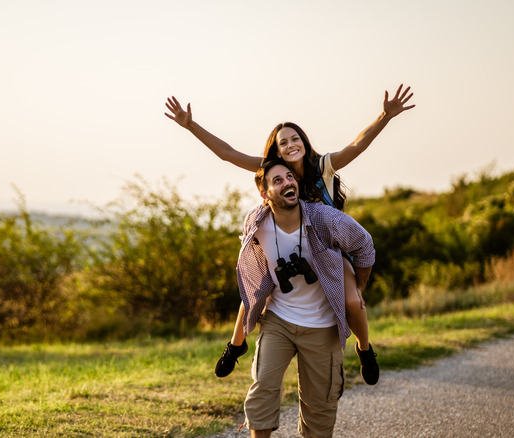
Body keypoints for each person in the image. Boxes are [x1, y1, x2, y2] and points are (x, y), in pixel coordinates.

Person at [164, 85, 414, 384]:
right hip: (284, 246)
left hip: (327, 249)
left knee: (353, 302)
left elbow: (357, 145)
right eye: (284, 142)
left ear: (304, 142)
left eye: (296, 138)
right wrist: (190, 124)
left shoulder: (323, 166)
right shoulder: (271, 169)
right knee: (253, 291)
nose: (291, 144)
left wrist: (384, 116)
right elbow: (227, 154)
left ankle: (364, 349)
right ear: (276, 149)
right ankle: (236, 345)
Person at [237, 159, 375, 437]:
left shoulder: (325, 218)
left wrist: (358, 286)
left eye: (290, 176)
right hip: (279, 320)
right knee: (262, 387)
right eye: (277, 180)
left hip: (323, 326)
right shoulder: (256, 221)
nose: (288, 182)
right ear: (264, 194)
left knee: (320, 410)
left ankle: (366, 349)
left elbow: (364, 244)